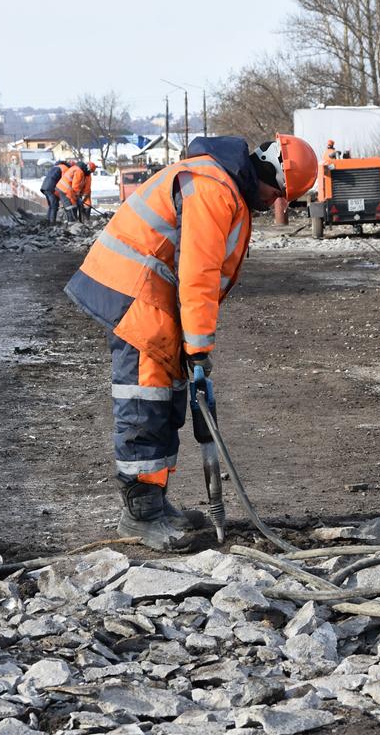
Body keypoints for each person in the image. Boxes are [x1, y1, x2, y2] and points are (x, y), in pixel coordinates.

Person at [64, 133, 317, 550]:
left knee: (165, 401)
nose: (275, 204)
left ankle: (154, 504)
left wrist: (191, 345)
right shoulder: (214, 188)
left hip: (151, 297)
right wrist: (198, 347)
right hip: (134, 294)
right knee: (145, 401)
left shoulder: (222, 184)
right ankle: (140, 513)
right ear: (267, 173)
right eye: (277, 193)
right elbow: (198, 273)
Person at [40, 159, 71, 225]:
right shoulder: (65, 168)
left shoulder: (56, 167)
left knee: (51, 206)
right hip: (51, 188)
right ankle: (52, 223)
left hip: (45, 187)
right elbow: (65, 181)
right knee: (54, 206)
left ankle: (48, 220)